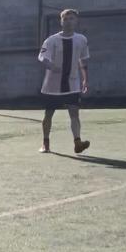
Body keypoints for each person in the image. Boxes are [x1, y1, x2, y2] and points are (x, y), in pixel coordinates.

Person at [38, 9, 91, 154]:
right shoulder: (51, 40)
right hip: (52, 86)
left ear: (76, 21)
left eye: (71, 18)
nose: (68, 21)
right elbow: (42, 57)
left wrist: (85, 79)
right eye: (65, 19)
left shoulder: (81, 39)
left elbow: (83, 61)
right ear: (61, 22)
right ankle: (45, 143)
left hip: (72, 84)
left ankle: (77, 142)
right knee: (48, 114)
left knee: (74, 113)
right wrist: (51, 66)